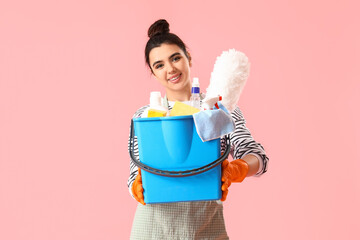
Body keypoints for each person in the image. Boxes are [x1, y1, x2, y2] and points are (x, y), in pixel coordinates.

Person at [127, 19, 269, 240]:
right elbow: (133, 175)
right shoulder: (145, 116)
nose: (171, 69)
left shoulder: (218, 109)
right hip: (152, 231)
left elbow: (258, 158)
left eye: (176, 58)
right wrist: (136, 185)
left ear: (188, 58)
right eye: (159, 65)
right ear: (153, 74)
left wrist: (237, 169)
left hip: (206, 230)